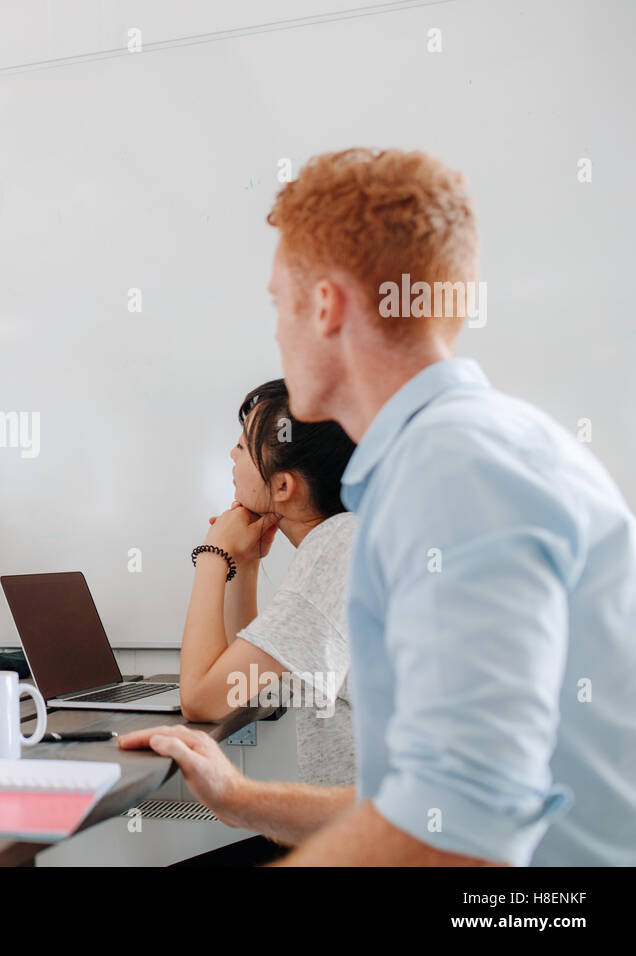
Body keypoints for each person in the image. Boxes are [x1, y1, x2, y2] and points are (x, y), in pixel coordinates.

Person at [125, 147, 636, 866]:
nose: (276, 330)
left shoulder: (450, 474)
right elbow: (420, 803)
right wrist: (242, 798)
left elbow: (461, 831)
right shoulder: (456, 457)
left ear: (326, 306)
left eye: (279, 303)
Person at [181, 378, 357, 787]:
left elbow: (201, 700)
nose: (231, 453)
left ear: (282, 485)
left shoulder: (336, 549)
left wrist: (212, 556)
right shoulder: (346, 539)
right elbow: (252, 689)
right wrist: (244, 563)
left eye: (242, 446)